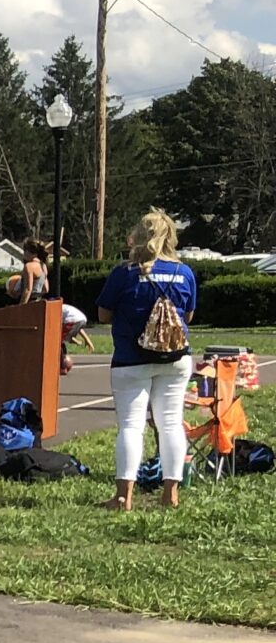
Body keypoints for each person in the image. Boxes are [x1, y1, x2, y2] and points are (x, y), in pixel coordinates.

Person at [95, 209, 199, 511]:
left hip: (131, 358)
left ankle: (123, 497)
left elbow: (103, 314)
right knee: (170, 423)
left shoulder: (125, 272)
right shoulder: (185, 272)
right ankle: (171, 493)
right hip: (177, 358)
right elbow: (189, 315)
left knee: (131, 426)